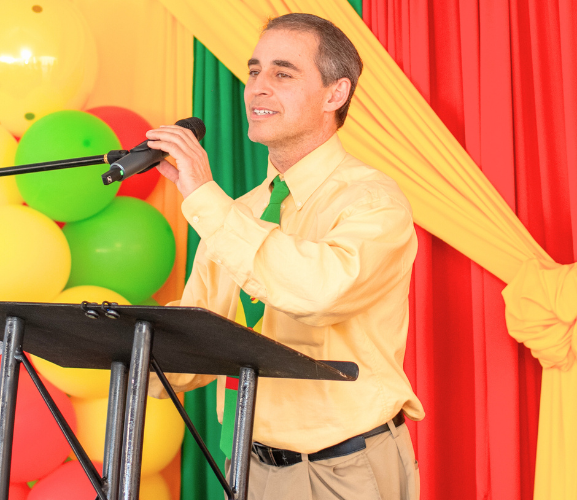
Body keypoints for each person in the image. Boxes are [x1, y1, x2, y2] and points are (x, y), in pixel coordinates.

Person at [146, 12, 422, 500]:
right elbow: (203, 338)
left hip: (345, 469)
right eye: (253, 72)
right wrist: (116, 347)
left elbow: (317, 293)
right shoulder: (238, 215)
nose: (257, 88)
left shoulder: (372, 201)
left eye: (282, 73)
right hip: (247, 467)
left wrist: (207, 199)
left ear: (334, 95)